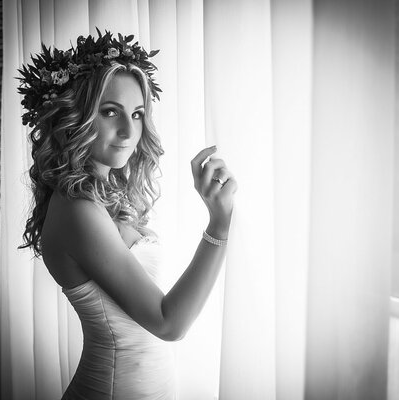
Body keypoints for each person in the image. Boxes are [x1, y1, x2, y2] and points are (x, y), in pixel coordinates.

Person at [18, 30, 237, 400]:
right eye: (110, 112)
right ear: (76, 117)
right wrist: (219, 223)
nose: (128, 130)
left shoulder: (104, 196)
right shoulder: (78, 210)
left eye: (137, 114)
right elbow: (169, 323)